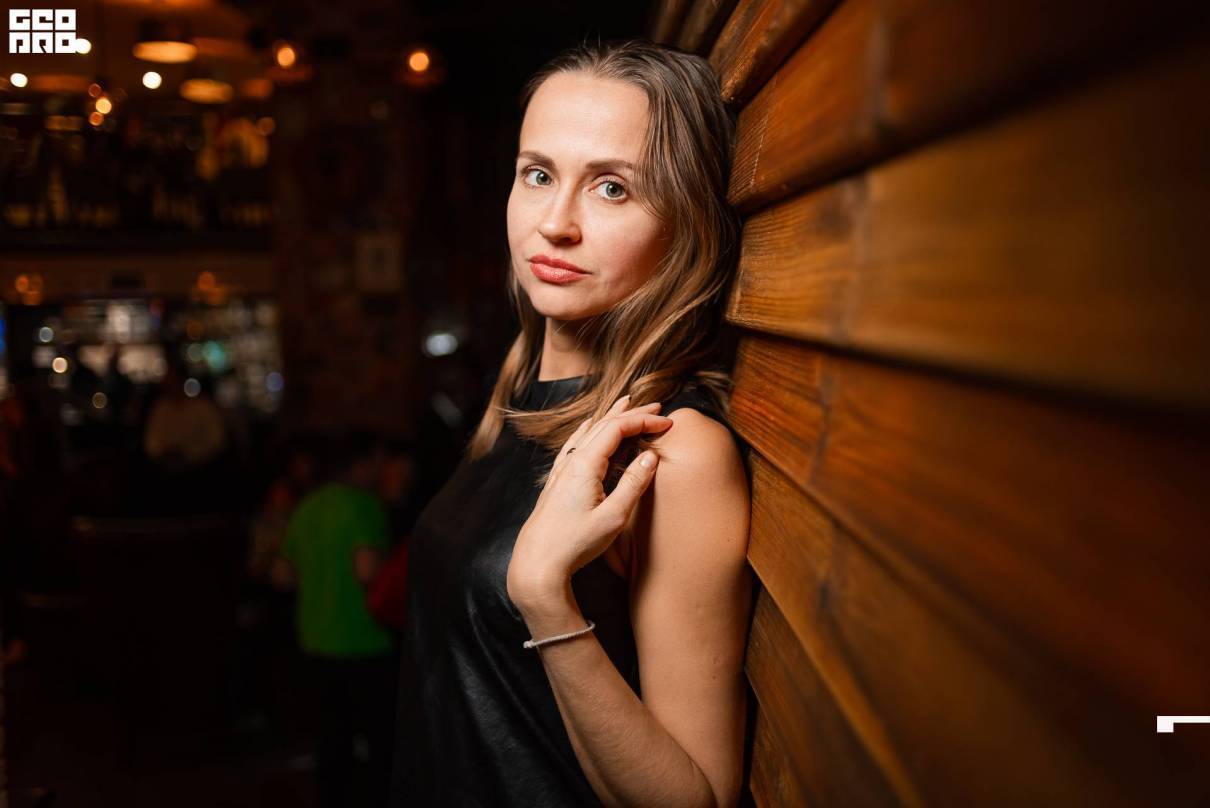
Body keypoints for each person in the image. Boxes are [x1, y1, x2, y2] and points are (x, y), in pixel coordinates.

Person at [392, 40, 752, 808]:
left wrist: (544, 597)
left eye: (613, 189)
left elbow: (696, 799)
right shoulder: (522, 394)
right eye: (538, 175)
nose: (555, 223)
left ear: (686, 223)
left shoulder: (671, 449)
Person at [273, 431, 397, 808]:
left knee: (330, 743)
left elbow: (282, 575)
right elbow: (366, 569)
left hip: (313, 640)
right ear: (363, 463)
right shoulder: (365, 505)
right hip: (364, 641)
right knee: (379, 745)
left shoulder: (308, 505)